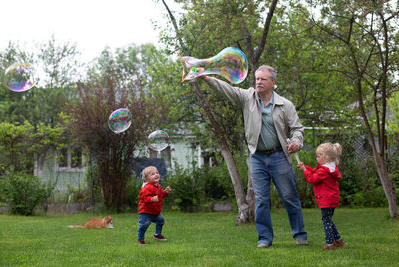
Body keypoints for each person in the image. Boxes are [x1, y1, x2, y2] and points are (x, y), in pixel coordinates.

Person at [198, 65, 307, 248]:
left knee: (289, 196)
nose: (259, 82)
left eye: (263, 79)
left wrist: (297, 142)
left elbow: (297, 128)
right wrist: (207, 78)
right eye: (257, 79)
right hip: (257, 157)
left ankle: (300, 235)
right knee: (261, 200)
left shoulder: (284, 104)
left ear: (273, 82)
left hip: (279, 156)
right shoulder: (247, 97)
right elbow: (228, 90)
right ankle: (264, 239)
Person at [297, 142, 344, 250]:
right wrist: (305, 167)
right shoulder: (330, 167)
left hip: (326, 199)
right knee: (328, 219)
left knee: (326, 221)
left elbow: (313, 179)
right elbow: (314, 171)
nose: (316, 158)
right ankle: (338, 240)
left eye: (318, 156)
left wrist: (304, 171)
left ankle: (330, 244)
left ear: (325, 157)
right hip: (332, 198)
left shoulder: (324, 170)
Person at [137, 166, 172, 245]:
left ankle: (157, 234)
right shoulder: (146, 188)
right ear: (146, 179)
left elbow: (160, 195)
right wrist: (152, 199)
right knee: (144, 225)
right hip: (146, 212)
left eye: (157, 173)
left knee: (161, 221)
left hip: (155, 212)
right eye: (153, 174)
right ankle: (141, 239)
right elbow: (144, 198)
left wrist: (165, 192)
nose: (156, 175)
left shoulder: (158, 186)